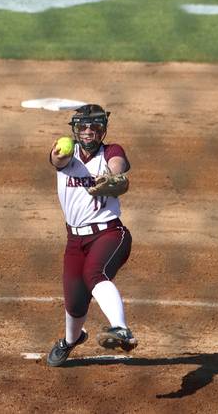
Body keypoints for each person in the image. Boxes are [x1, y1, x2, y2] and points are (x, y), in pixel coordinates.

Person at [46, 104, 137, 367]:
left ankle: (120, 329)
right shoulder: (67, 152)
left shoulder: (111, 151)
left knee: (95, 274)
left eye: (94, 126)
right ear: (75, 129)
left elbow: (118, 164)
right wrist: (59, 154)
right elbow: (57, 160)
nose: (88, 131)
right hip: (75, 241)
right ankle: (70, 340)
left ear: (103, 130)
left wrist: (113, 175)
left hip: (109, 233)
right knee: (75, 304)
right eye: (83, 126)